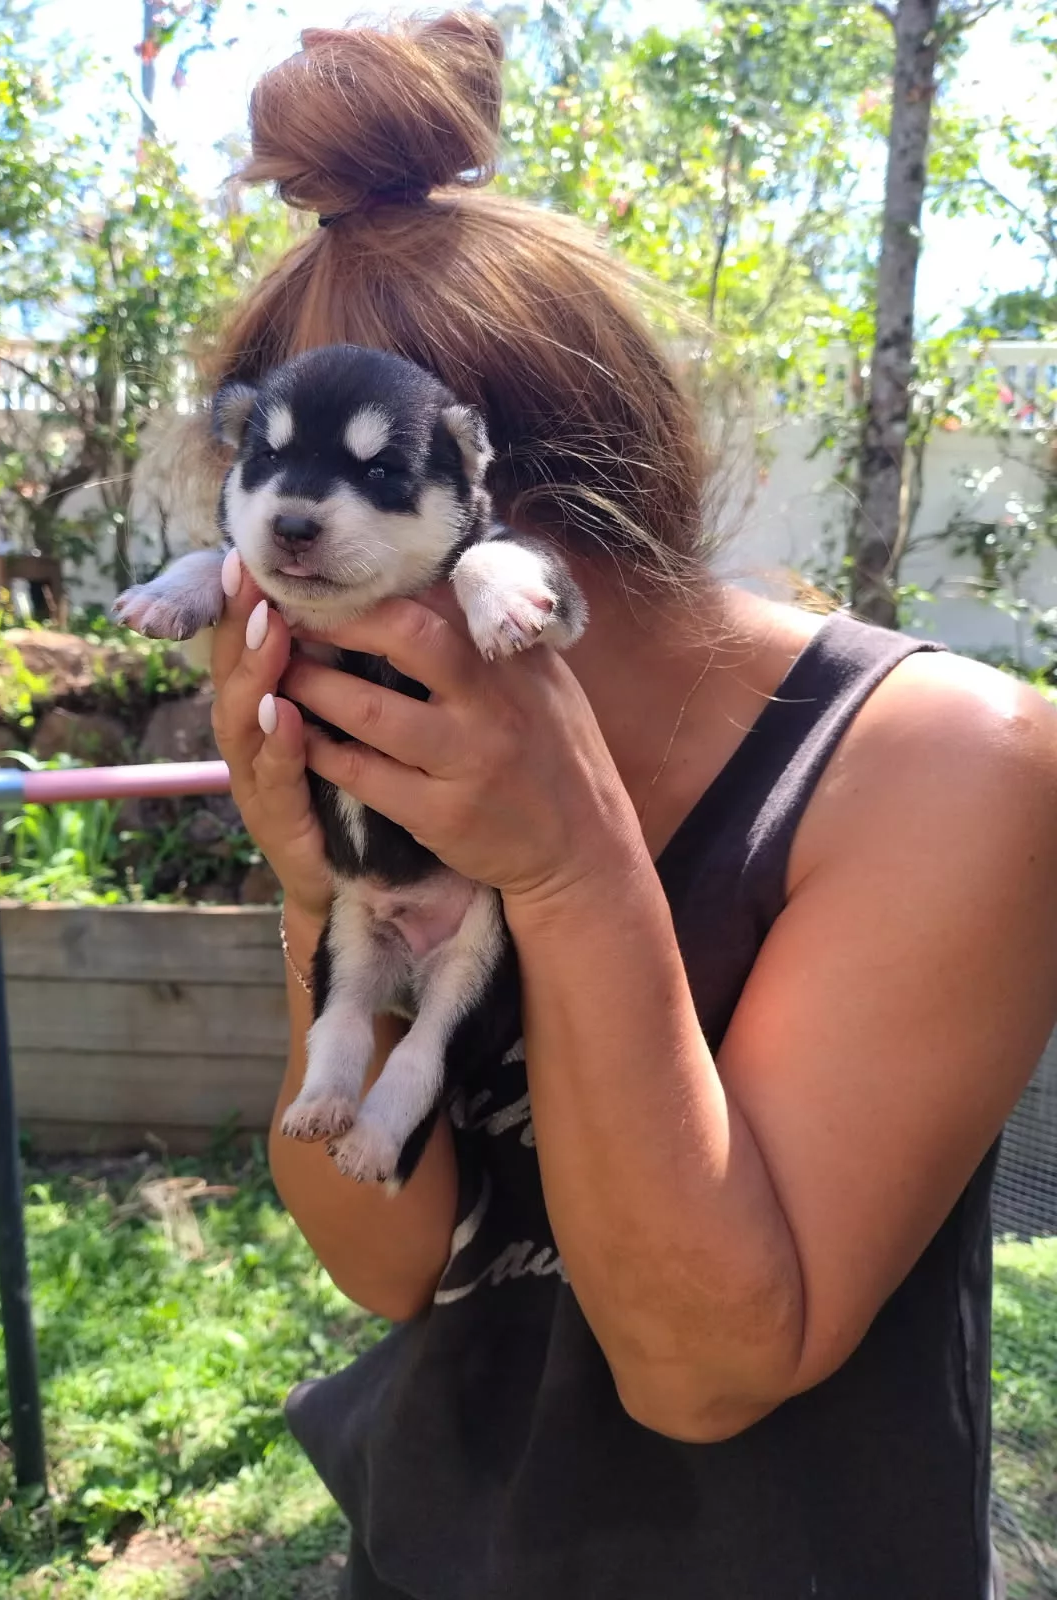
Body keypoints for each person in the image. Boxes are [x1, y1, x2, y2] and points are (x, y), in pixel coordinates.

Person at [195, 13, 1057, 1599]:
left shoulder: (947, 763)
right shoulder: (384, 765)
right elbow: (386, 1263)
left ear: (489, 523)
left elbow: (706, 1364)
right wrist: (322, 890)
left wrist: (576, 873)